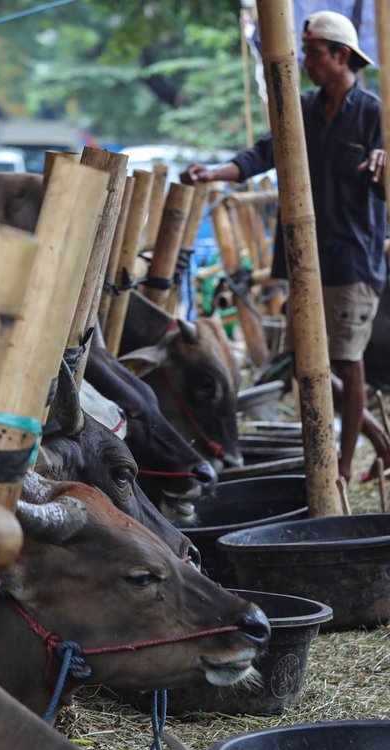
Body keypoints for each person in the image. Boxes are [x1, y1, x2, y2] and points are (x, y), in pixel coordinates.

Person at [180, 10, 388, 483]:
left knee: (347, 363)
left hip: (354, 260)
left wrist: (384, 160)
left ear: (341, 57)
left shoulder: (375, 113)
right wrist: (212, 173)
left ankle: (340, 464)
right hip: (305, 257)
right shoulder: (304, 109)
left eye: (314, 52)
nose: (306, 61)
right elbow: (260, 154)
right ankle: (377, 437)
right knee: (301, 361)